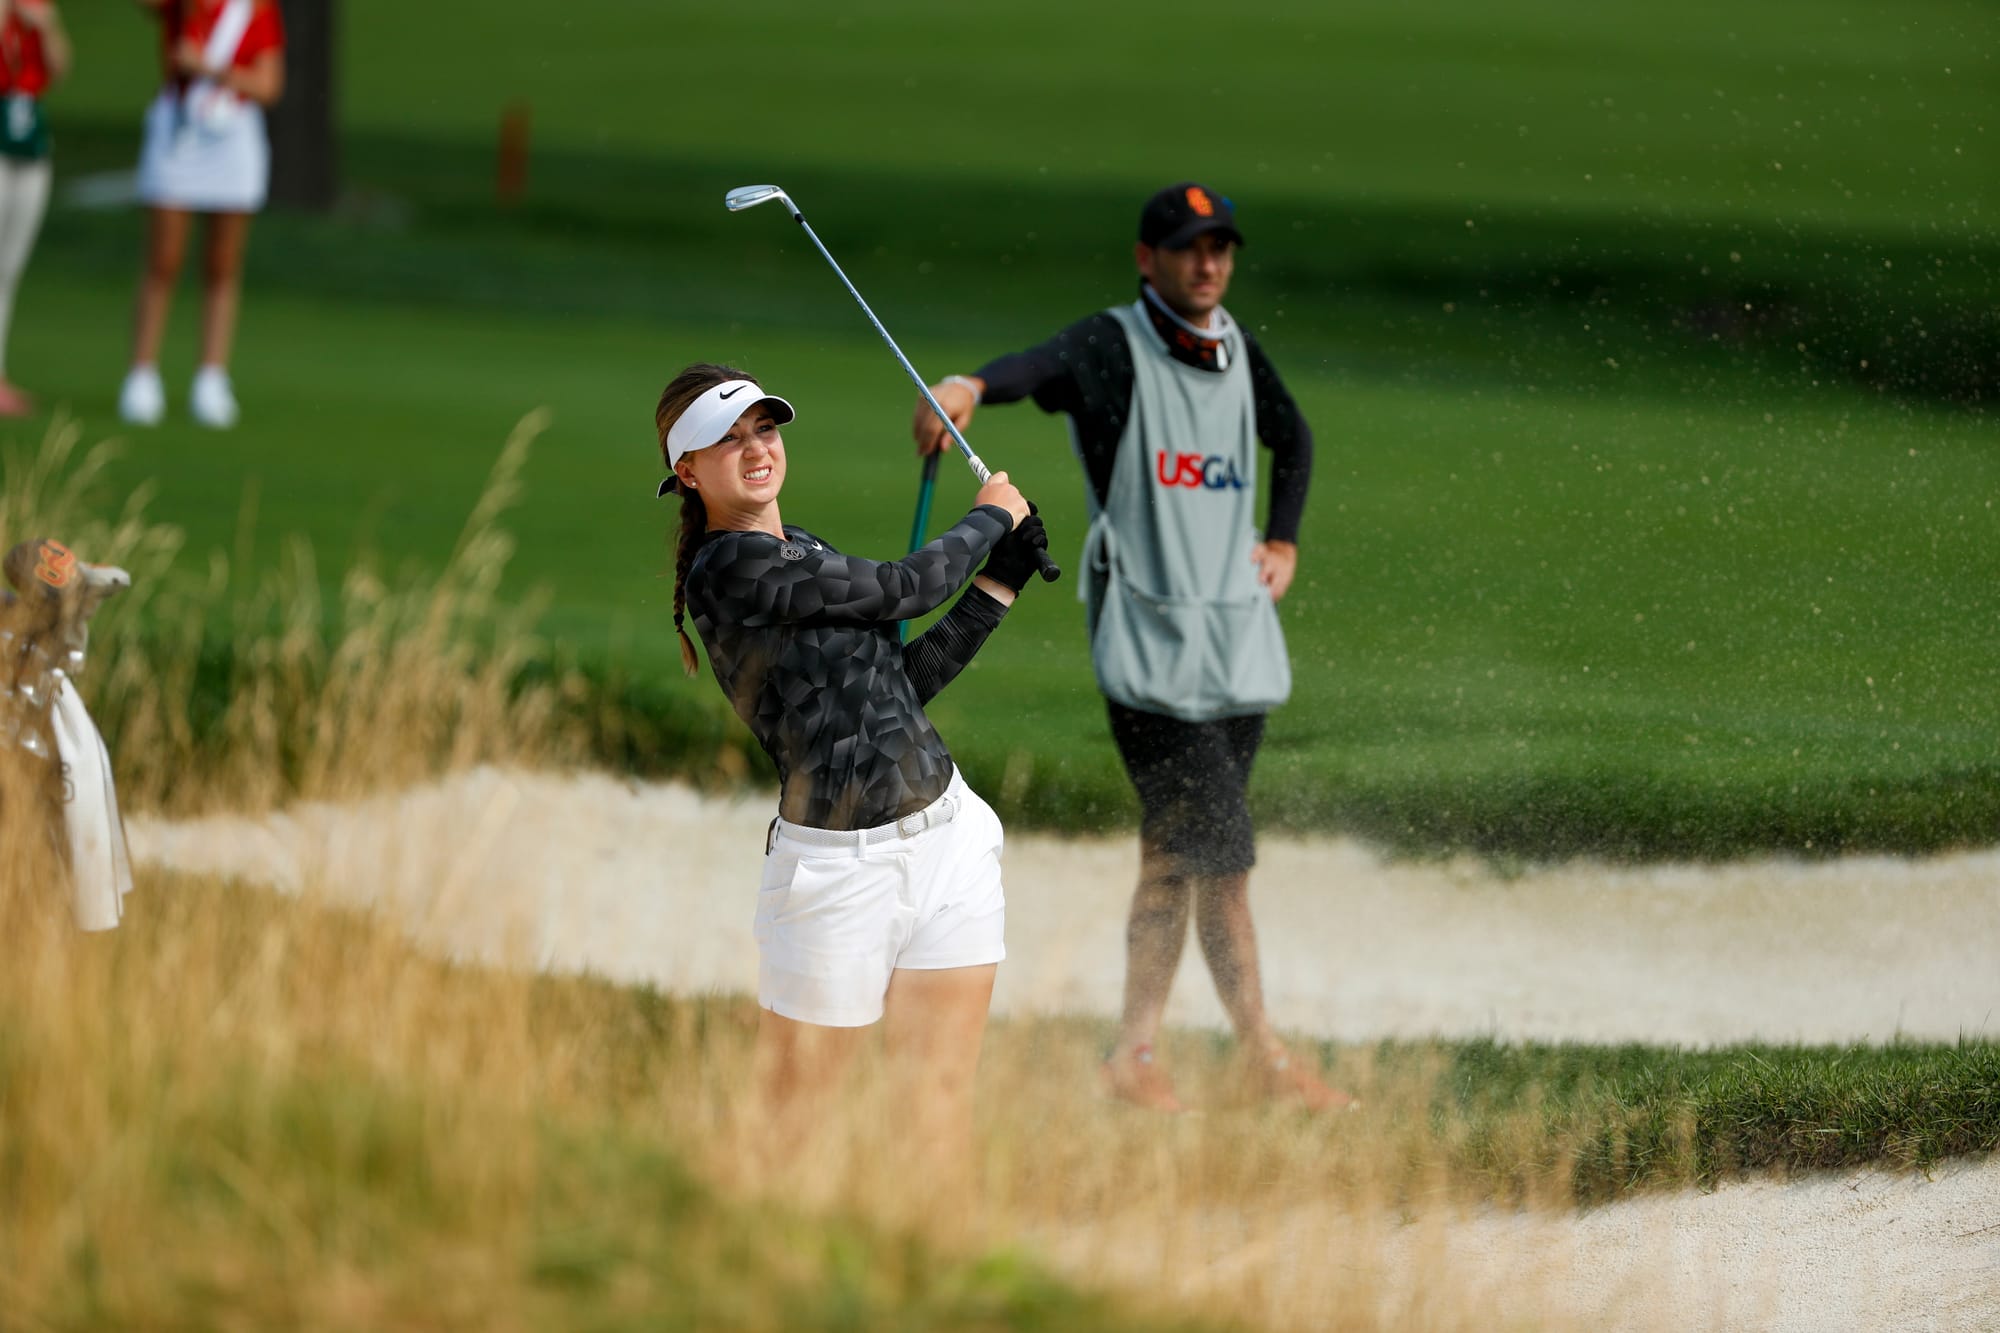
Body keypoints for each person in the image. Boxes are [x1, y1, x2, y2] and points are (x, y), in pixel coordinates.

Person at [912, 182, 1348, 1113]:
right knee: (1222, 858)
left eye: (1220, 247)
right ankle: (1261, 1057)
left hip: (1234, 643)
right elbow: (1036, 366)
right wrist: (971, 387)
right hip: (1150, 653)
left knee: (1176, 854)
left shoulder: (1235, 347)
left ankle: (1133, 1054)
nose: (1209, 263)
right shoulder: (1113, 346)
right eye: (1189, 248)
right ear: (1149, 259)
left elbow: (1294, 437)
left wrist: (1284, 538)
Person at [655, 362, 1050, 1166]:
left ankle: (935, 1245)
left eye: (764, 428)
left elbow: (899, 688)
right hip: (837, 878)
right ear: (687, 471)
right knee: (789, 1129)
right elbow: (907, 587)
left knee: (936, 1113)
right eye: (727, 440)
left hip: (949, 845)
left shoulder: (801, 546)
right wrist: (990, 518)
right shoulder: (727, 571)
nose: (756, 449)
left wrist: (999, 583)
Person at [118, 0, 285, 430]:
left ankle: (211, 378)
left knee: (222, 263)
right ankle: (141, 375)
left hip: (232, 134)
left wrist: (211, 69)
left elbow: (268, 85)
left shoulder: (256, 8)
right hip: (180, 129)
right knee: (163, 259)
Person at [0, 0, 69, 417]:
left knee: (7, 269)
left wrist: (47, 26)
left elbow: (59, 69)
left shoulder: (36, 10)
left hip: (28, 142)